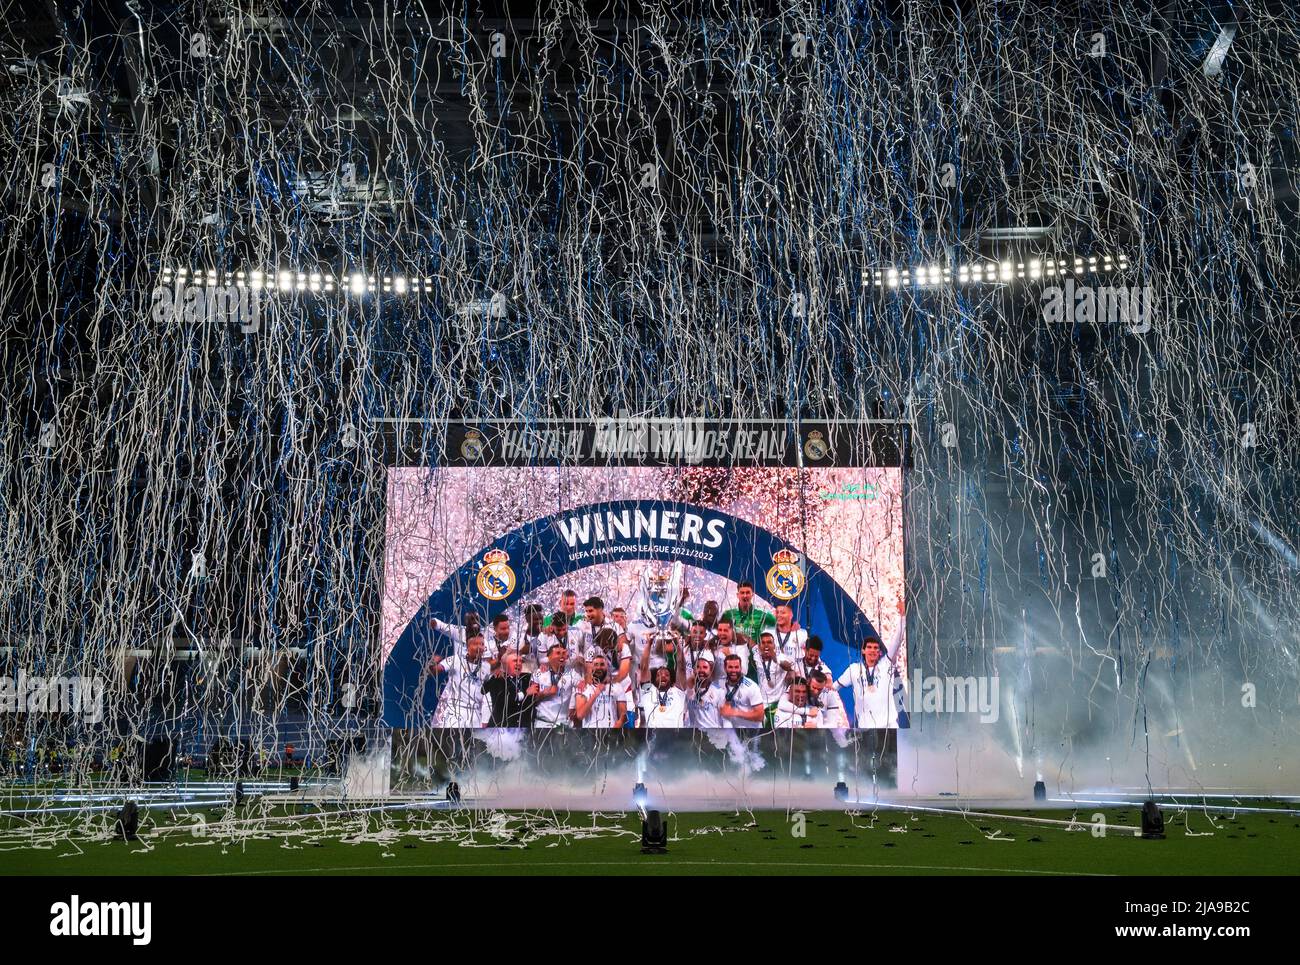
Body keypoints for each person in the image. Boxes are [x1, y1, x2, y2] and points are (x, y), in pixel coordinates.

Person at [834, 601, 907, 729]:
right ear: (863, 650)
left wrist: (903, 617)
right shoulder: (854, 669)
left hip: (888, 726)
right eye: (869, 647)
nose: (873, 650)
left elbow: (897, 640)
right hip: (865, 728)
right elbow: (834, 688)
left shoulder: (886, 665)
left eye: (876, 648)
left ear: (879, 652)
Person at [429, 634, 492, 727]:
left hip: (475, 715)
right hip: (454, 712)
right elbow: (436, 670)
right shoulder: (456, 660)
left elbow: (487, 696)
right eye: (475, 644)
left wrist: (485, 720)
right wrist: (432, 663)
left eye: (482, 644)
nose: (479, 647)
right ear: (467, 646)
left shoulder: (487, 667)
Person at [480, 649, 541, 727]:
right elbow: (505, 701)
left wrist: (544, 667)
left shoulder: (528, 678)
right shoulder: (497, 679)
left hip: (524, 729)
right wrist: (526, 693)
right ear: (505, 664)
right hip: (501, 728)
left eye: (520, 661)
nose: (519, 663)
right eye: (515, 661)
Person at [533, 642, 583, 728]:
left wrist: (575, 707)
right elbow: (531, 699)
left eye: (564, 653)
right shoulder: (539, 673)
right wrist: (544, 693)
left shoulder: (573, 674)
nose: (562, 656)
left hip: (564, 725)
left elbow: (584, 688)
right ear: (549, 657)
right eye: (558, 653)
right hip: (543, 723)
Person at [752, 631, 797, 727]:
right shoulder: (757, 654)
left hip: (777, 704)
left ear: (774, 645)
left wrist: (776, 659)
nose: (766, 645)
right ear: (759, 646)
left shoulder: (780, 657)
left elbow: (788, 666)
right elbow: (750, 643)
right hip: (762, 703)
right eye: (763, 643)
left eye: (769, 642)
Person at [573, 653, 627, 728]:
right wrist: (596, 694)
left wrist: (619, 724)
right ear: (591, 667)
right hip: (591, 733)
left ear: (607, 667)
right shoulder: (583, 688)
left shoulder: (617, 687)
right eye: (596, 664)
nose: (599, 667)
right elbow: (580, 715)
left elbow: (623, 714)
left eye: (602, 664)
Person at [714, 654, 766, 729]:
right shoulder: (720, 683)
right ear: (725, 668)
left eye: (736, 667)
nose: (733, 670)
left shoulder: (751, 687)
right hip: (732, 731)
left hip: (751, 732)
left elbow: (760, 715)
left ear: (741, 668)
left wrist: (734, 712)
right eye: (730, 667)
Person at [684, 652, 721, 727]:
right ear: (694, 670)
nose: (701, 670)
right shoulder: (689, 691)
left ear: (711, 671)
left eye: (705, 667)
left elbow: (725, 719)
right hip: (694, 733)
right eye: (698, 667)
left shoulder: (719, 692)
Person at [517, 604, 547, 672]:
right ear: (528, 620)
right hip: (525, 675)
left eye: (541, 619)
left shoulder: (548, 635)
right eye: (536, 619)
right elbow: (510, 658)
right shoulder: (519, 637)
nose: (539, 622)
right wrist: (521, 652)